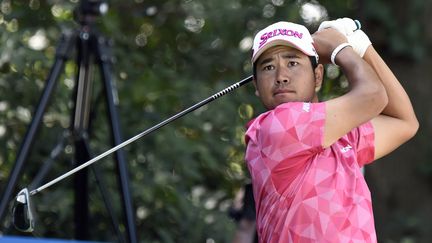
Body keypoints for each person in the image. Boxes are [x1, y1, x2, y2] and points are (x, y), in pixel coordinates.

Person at [244, 18, 418, 242]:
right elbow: (373, 96)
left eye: (293, 63)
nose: (281, 77)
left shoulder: (339, 136)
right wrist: (341, 49)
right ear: (257, 87)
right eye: (268, 67)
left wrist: (363, 47)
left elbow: (404, 122)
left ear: (317, 75)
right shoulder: (276, 126)